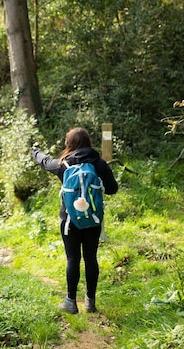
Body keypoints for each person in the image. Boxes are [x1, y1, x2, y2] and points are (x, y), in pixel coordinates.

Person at [32, 127, 118, 314]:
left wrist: (35, 151)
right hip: (93, 219)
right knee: (90, 258)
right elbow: (113, 189)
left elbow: (45, 162)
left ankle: (71, 301)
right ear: (87, 143)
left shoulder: (63, 165)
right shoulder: (98, 163)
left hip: (69, 220)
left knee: (73, 258)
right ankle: (90, 301)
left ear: (70, 143)